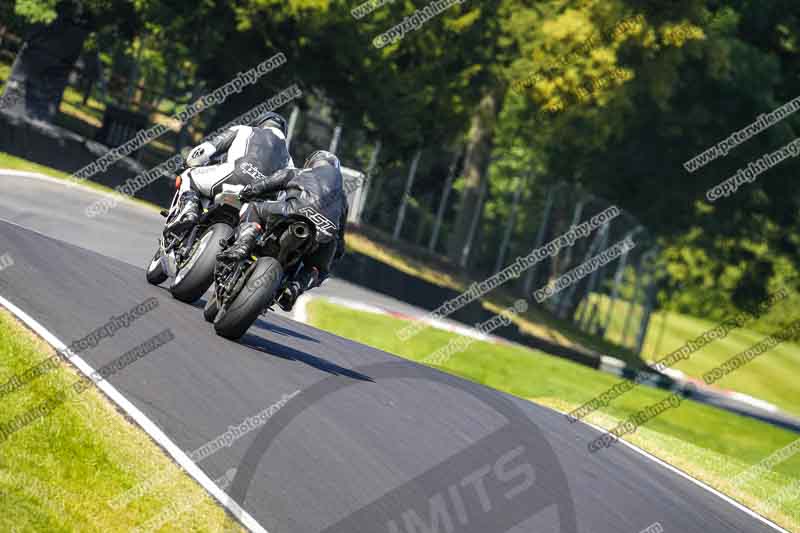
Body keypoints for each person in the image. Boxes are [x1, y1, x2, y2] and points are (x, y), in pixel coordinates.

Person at [216, 150, 348, 311]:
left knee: (254, 208)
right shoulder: (342, 198)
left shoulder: (299, 172)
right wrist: (331, 258)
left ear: (312, 163)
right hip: (325, 233)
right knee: (318, 269)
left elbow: (263, 185)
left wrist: (246, 192)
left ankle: (244, 243)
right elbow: (340, 243)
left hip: (292, 211)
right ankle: (295, 287)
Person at [165, 112, 294, 233]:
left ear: (260, 123)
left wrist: (188, 163)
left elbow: (204, 151)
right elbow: (285, 194)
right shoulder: (289, 160)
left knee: (189, 175)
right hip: (258, 198)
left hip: (231, 176)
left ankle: (189, 210)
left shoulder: (244, 129)